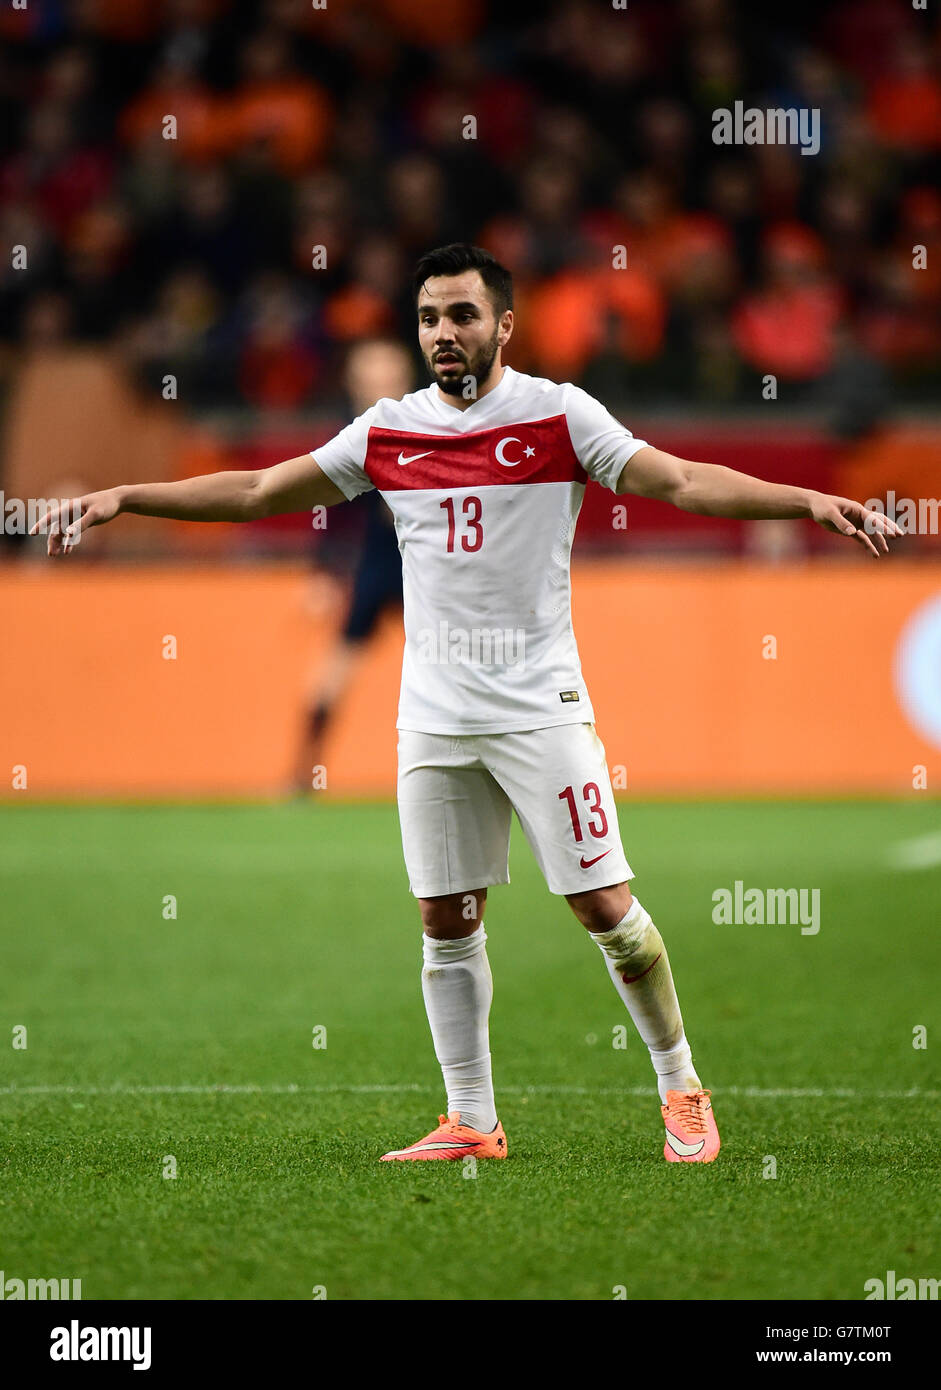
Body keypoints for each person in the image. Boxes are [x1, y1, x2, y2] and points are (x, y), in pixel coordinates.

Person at [32, 243, 902, 1166]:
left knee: (606, 907)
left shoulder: (560, 415)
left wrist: (807, 502)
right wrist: (125, 497)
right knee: (446, 919)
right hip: (434, 717)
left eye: (460, 316)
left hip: (541, 707)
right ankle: (470, 1119)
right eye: (427, 319)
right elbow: (255, 490)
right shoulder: (385, 432)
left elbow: (679, 480)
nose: (442, 335)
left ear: (502, 325)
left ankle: (679, 1083)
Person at [292, 339, 410, 795]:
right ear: (353, 385)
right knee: (334, 670)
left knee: (457, 661)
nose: (379, 388)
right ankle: (305, 773)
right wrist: (321, 574)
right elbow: (330, 510)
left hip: (429, 570)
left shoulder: (433, 428)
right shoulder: (348, 441)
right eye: (369, 379)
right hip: (378, 568)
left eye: (387, 378)